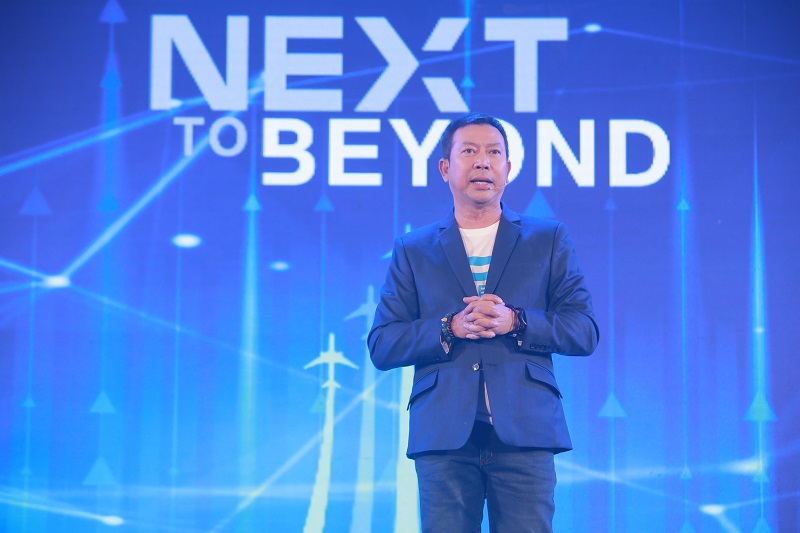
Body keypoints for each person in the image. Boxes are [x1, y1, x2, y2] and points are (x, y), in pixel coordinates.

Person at [367, 112, 599, 532]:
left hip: (525, 434)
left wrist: (517, 321)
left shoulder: (547, 239)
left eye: (494, 152)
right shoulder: (414, 249)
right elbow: (383, 343)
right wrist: (449, 328)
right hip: (444, 438)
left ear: (508, 168)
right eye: (469, 151)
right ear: (445, 168)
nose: (482, 162)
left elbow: (583, 329)